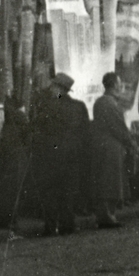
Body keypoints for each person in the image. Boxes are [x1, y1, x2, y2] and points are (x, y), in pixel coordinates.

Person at [31, 74, 89, 236]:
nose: (50, 88)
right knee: (68, 191)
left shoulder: (49, 106)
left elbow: (37, 128)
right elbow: (85, 131)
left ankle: (50, 227)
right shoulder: (79, 106)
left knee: (50, 192)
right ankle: (67, 225)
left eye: (53, 86)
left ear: (59, 88)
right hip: (72, 156)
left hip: (51, 155)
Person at [91, 73, 137, 228]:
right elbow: (119, 127)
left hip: (104, 146)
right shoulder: (110, 104)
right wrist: (131, 143)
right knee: (110, 182)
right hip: (110, 148)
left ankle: (107, 215)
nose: (121, 86)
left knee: (107, 181)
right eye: (119, 83)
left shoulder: (101, 102)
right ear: (115, 85)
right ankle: (107, 216)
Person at [0, 93, 30, 230]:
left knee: (1, 188)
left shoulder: (1, 112)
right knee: (13, 189)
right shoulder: (21, 116)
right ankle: (10, 219)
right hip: (17, 155)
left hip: (3, 154)